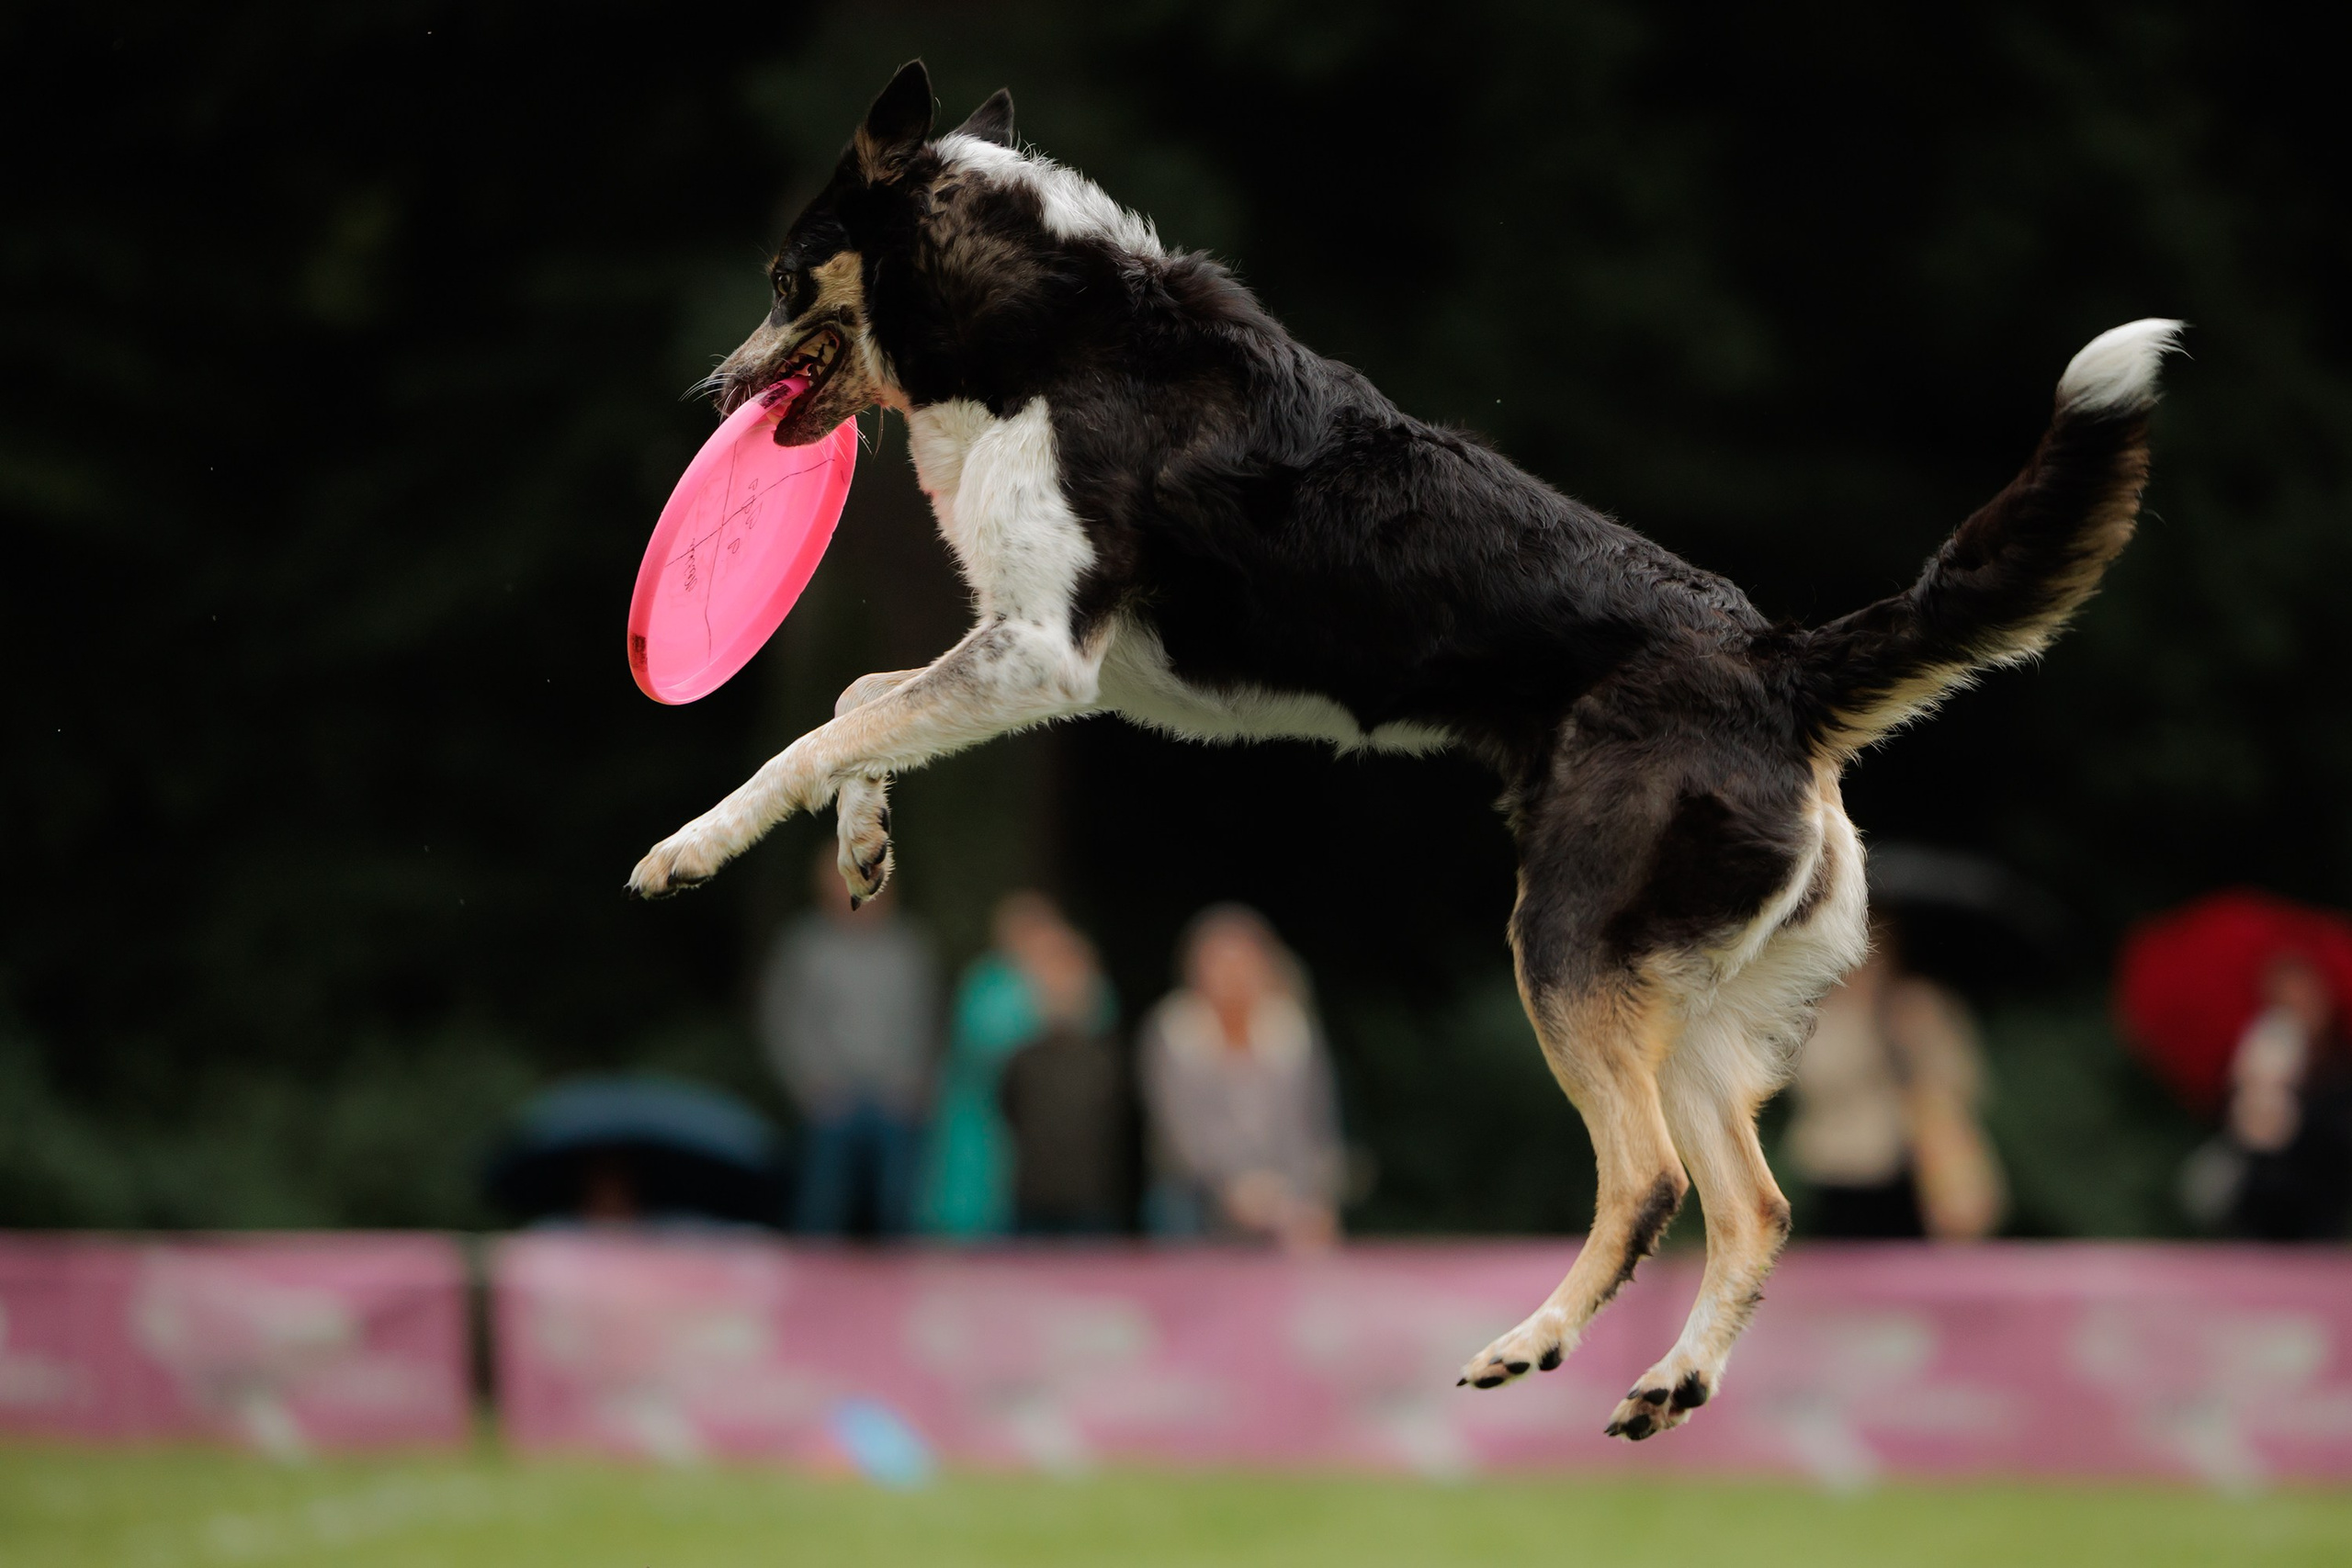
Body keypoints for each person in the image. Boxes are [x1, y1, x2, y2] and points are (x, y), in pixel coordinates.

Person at [1785, 912, 2006, 1241]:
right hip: (1841, 1167)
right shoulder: (1823, 1013)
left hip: (1917, 1164)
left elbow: (1962, 1077)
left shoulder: (1921, 1002)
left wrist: (1911, 1045)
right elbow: (1811, 1081)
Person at [1138, 905, 1343, 1251]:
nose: (1232, 974)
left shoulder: (1291, 1031)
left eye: (1242, 961)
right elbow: (1178, 1133)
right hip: (1197, 1197)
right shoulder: (1174, 1031)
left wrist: (1310, 1197)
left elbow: (1313, 1125)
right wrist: (1235, 1191)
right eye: (1218, 962)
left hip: (1283, 1197)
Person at [758, 845, 937, 1236]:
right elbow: (783, 1024)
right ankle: (812, 1293)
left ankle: (901, 1292)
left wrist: (915, 1086)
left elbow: (926, 1023)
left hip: (895, 1101)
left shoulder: (909, 948)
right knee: (821, 1211)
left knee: (899, 1211)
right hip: (830, 1102)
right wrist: (809, 1087)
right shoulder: (804, 946)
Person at [918, 890, 1118, 1239]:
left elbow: (1098, 1027)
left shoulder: (1079, 976)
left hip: (1060, 1148)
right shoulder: (988, 984)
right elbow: (985, 1048)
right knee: (982, 1230)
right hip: (988, 1133)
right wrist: (1046, 1007)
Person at [2181, 953, 2352, 1239]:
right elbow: (2243, 1138)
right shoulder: (2254, 1056)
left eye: (2305, 996)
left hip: (2320, 1215)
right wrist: (2253, 1092)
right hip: (2261, 1214)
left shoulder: (2339, 1064)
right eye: (2287, 999)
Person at [997, 918, 1132, 1235]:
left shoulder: (1108, 1058)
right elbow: (1008, 1109)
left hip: (1094, 1200)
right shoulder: (1021, 1058)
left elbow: (1117, 1121)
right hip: (1034, 1199)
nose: (1059, 986)